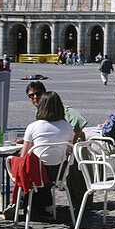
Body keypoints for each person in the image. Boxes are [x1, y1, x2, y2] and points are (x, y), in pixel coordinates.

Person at [18, 91, 77, 221]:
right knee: (45, 164)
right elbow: (67, 152)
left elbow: (24, 155)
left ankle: (21, 198)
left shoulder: (33, 127)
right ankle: (45, 206)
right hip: (58, 174)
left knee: (22, 162)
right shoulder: (67, 127)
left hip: (37, 175)